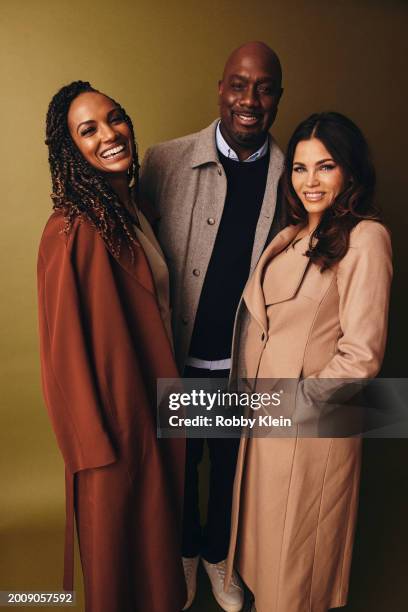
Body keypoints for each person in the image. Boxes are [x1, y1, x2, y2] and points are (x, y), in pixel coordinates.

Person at [225, 112, 393, 612]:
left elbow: (362, 355)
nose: (310, 181)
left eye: (325, 167)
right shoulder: (291, 232)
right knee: (263, 564)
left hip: (309, 429)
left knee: (297, 572)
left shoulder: (366, 238)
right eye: (299, 169)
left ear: (350, 172)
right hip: (264, 428)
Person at [140, 41, 284, 611]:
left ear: (277, 96)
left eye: (265, 87)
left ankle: (222, 558)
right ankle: (183, 555)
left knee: (230, 468)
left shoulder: (291, 174)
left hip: (242, 364)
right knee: (180, 465)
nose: (250, 99)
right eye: (239, 85)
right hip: (177, 356)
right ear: (220, 88)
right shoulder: (163, 160)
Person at [38, 81, 186, 612]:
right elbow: (60, 353)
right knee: (117, 576)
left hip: (155, 414)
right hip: (113, 437)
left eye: (114, 118)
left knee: (154, 569)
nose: (109, 134)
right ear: (70, 149)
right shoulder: (71, 229)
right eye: (88, 130)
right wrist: (95, 450)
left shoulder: (132, 210)